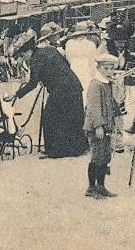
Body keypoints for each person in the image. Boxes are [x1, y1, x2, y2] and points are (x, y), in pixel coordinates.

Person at [8, 22, 88, 159]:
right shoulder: (48, 50)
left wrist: (16, 94)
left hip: (62, 90)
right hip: (72, 86)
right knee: (69, 118)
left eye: (21, 56)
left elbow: (32, 83)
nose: (22, 60)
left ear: (27, 51)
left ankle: (56, 150)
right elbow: (64, 65)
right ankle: (72, 148)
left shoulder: (36, 58)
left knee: (50, 117)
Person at [83, 53, 123, 199]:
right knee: (97, 156)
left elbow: (113, 103)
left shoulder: (108, 84)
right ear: (98, 68)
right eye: (105, 68)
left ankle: (101, 186)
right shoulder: (95, 84)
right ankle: (91, 187)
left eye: (111, 68)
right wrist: (98, 126)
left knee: (106, 156)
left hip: (107, 126)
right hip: (96, 128)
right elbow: (94, 108)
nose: (109, 71)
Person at [64, 21, 100, 102]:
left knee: (74, 91)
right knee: (86, 90)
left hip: (73, 69)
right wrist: (94, 75)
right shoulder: (91, 44)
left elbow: (68, 58)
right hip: (86, 70)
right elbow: (93, 61)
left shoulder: (69, 43)